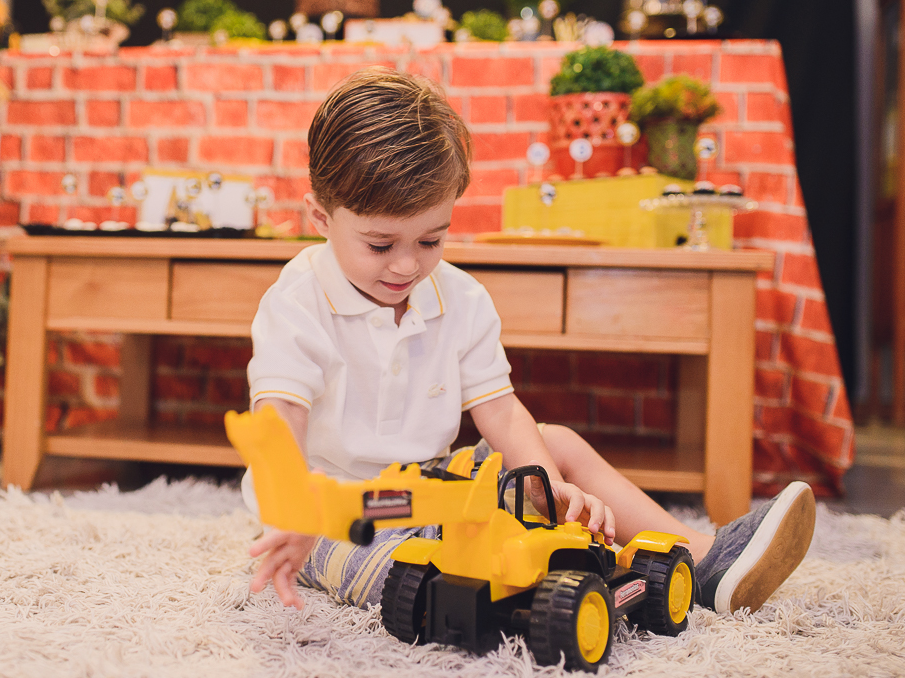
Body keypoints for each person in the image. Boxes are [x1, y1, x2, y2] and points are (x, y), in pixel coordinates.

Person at [242, 67, 816, 617]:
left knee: (553, 443)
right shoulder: (297, 301)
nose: (407, 265)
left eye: (430, 241)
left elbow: (500, 412)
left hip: (433, 490)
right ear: (320, 217)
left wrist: (548, 488)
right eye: (379, 245)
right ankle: (491, 588)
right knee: (399, 572)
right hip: (329, 508)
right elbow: (280, 415)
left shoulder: (461, 298)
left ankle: (703, 559)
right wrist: (291, 504)